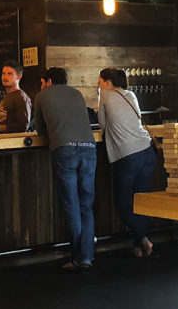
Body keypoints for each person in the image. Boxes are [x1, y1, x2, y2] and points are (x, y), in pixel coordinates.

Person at [34, 67, 96, 272]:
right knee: (86, 206)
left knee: (72, 205)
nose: (42, 85)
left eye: (43, 81)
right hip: (89, 149)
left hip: (64, 151)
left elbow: (40, 130)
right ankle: (85, 257)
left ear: (49, 81)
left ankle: (78, 257)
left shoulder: (42, 95)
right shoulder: (77, 93)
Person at [98, 67, 157, 258]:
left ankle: (144, 239)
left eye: (100, 81)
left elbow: (102, 125)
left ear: (107, 83)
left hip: (128, 155)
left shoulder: (105, 95)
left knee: (122, 203)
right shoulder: (131, 95)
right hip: (147, 151)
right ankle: (139, 244)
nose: (98, 85)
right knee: (140, 202)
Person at [0, 60, 32, 133]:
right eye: (3, 73)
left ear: (19, 76)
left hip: (13, 143)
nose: (5, 77)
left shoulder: (21, 97)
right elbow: (5, 121)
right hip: (2, 141)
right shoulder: (8, 96)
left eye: (9, 74)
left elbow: (23, 126)